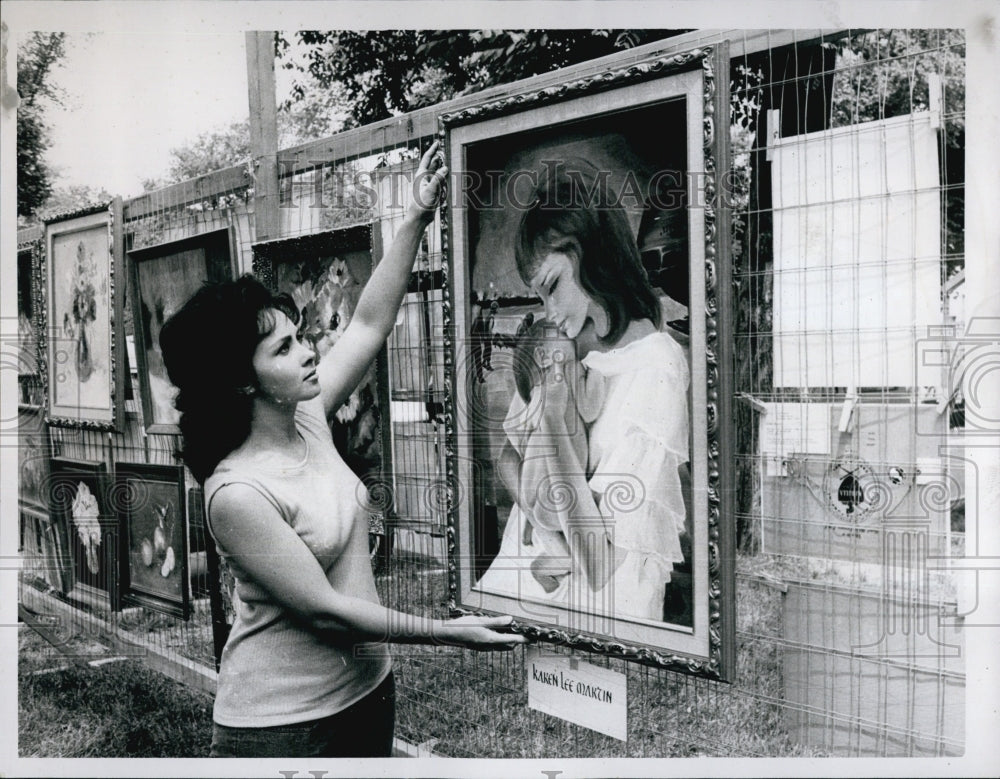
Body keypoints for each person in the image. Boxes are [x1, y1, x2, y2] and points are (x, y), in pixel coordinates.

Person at [159, 143, 525, 759]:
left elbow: (369, 325)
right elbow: (329, 613)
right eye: (282, 350)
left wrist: (414, 216)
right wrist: (448, 633)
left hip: (368, 693)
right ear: (241, 383)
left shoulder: (307, 415)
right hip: (282, 728)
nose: (306, 352)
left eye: (298, 337)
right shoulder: (237, 493)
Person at [477, 161, 690, 623]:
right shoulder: (562, 348)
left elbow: (597, 565)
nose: (548, 312)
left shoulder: (658, 365)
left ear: (593, 255)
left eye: (553, 287)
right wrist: (542, 525)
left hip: (603, 611)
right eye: (538, 297)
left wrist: (554, 428)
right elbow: (508, 457)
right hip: (532, 593)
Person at [496, 319, 606, 594]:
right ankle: (556, 562)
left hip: (531, 496)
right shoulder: (567, 375)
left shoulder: (536, 392)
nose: (570, 338)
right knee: (590, 511)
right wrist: (596, 372)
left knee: (553, 524)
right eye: (562, 336)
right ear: (544, 356)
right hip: (554, 498)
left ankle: (546, 558)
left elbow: (522, 434)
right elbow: (591, 410)